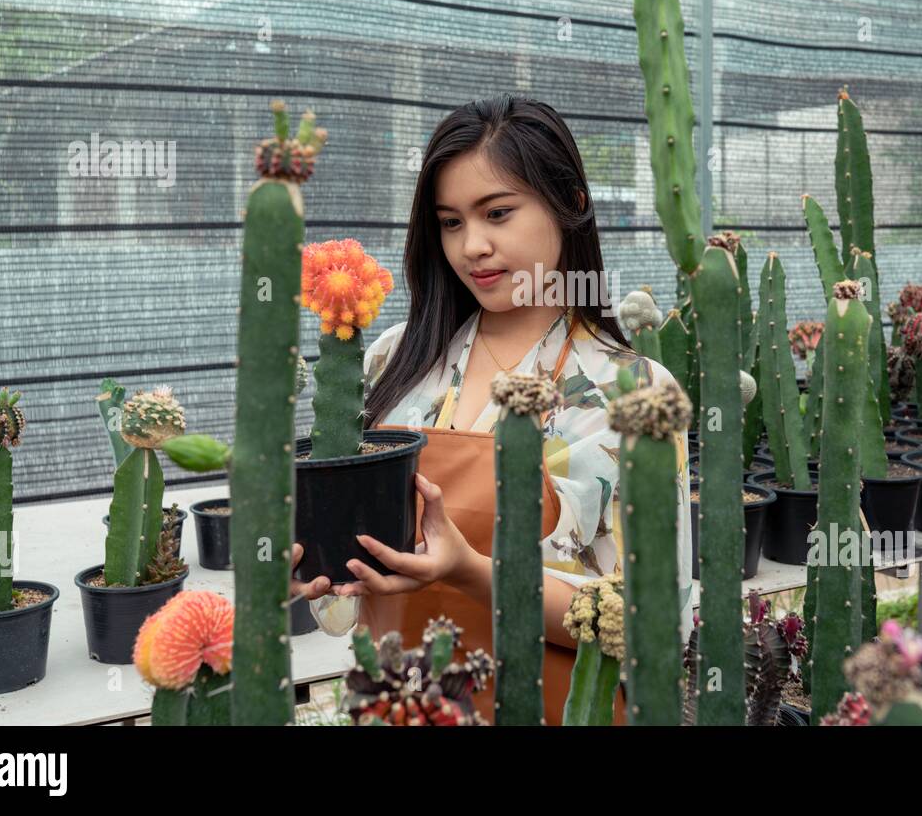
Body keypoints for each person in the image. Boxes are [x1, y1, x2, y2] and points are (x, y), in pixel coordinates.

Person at [290, 93, 692, 725]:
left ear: (572, 204)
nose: (472, 245)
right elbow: (346, 608)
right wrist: (322, 565)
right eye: (450, 222)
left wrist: (471, 572)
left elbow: (656, 623)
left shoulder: (634, 391)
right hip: (397, 706)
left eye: (497, 212)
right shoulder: (395, 359)